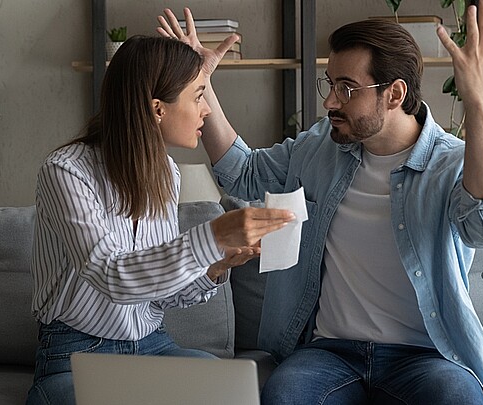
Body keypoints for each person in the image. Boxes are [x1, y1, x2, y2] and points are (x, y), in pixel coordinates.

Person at [157, 1, 483, 404]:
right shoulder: (319, 147)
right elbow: (244, 173)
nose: (330, 102)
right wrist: (204, 83)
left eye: (347, 89)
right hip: (330, 353)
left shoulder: (450, 163)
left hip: (425, 357)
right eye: (331, 85)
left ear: (394, 94)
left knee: (460, 398)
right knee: (283, 397)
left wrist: (480, 101)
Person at [25, 35, 295, 405]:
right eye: (198, 96)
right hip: (75, 354)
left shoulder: (166, 171)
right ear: (157, 109)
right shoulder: (66, 172)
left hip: (154, 345)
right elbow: (111, 275)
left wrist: (215, 266)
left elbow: (160, 295)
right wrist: (212, 235)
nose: (206, 111)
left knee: (233, 393)